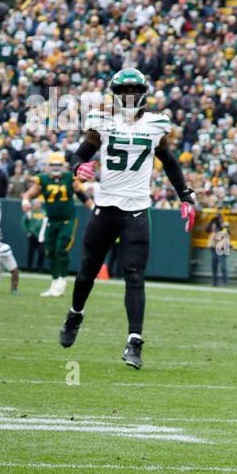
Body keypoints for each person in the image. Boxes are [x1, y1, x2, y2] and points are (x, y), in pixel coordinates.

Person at [57, 68, 197, 369]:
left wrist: (185, 194)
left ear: (144, 92)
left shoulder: (155, 124)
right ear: (114, 94)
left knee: (135, 276)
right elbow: (78, 156)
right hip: (105, 207)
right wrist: (78, 168)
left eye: (134, 90)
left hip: (136, 209)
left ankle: (134, 342)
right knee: (86, 273)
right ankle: (75, 314)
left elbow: (169, 160)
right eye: (123, 91)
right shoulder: (101, 123)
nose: (129, 96)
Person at [21, 153, 89, 298]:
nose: (56, 168)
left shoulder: (70, 177)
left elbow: (82, 195)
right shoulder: (43, 179)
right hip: (51, 220)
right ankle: (55, 280)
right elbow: (28, 194)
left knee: (61, 249)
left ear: (63, 166)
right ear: (48, 167)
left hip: (67, 220)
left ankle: (62, 279)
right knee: (50, 251)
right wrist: (25, 201)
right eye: (53, 165)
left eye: (58, 165)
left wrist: (94, 208)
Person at [208, 213, 231, 287]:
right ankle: (214, 282)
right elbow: (207, 230)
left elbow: (226, 233)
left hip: (221, 247)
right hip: (213, 246)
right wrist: (212, 222)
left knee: (222, 265)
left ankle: (225, 282)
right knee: (214, 265)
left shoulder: (224, 225)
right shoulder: (213, 224)